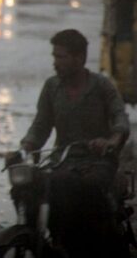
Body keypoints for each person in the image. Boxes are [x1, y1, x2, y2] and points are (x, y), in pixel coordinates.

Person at [14, 29, 130, 256]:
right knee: (27, 185)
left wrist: (110, 141)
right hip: (61, 160)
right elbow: (41, 126)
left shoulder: (101, 86)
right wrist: (25, 147)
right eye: (54, 57)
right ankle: (40, 235)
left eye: (61, 57)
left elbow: (121, 120)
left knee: (78, 189)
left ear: (80, 58)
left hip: (97, 163)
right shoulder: (51, 87)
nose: (55, 63)